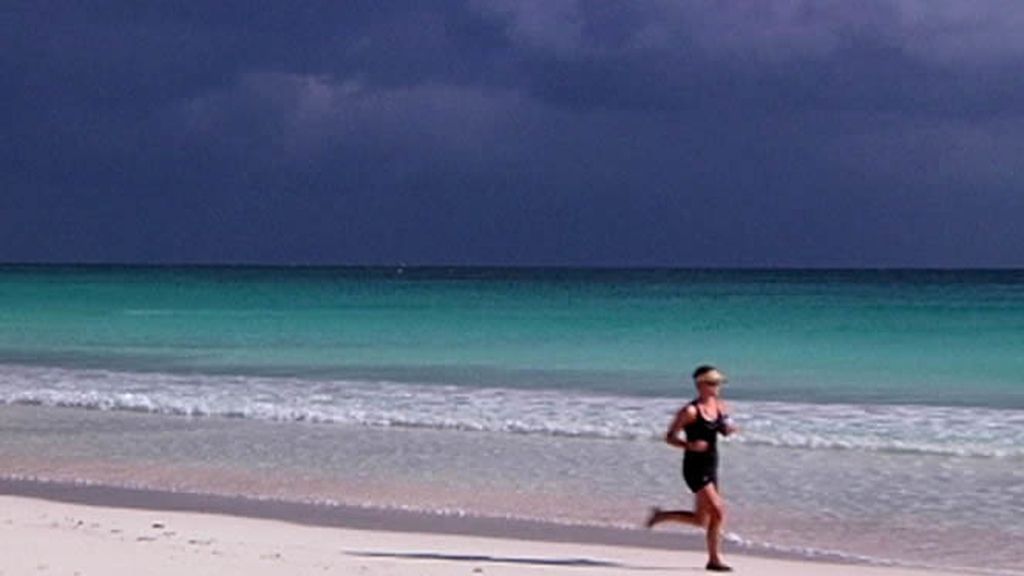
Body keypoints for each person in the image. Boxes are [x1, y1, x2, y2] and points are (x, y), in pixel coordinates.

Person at [646, 365, 738, 572]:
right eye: (713, 383)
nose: (718, 387)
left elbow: (724, 430)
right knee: (719, 511)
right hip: (694, 467)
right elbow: (669, 437)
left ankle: (661, 516)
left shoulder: (720, 406)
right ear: (701, 385)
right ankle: (714, 560)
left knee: (701, 519)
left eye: (719, 383)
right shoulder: (689, 411)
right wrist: (689, 446)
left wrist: (729, 429)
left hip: (712, 463)